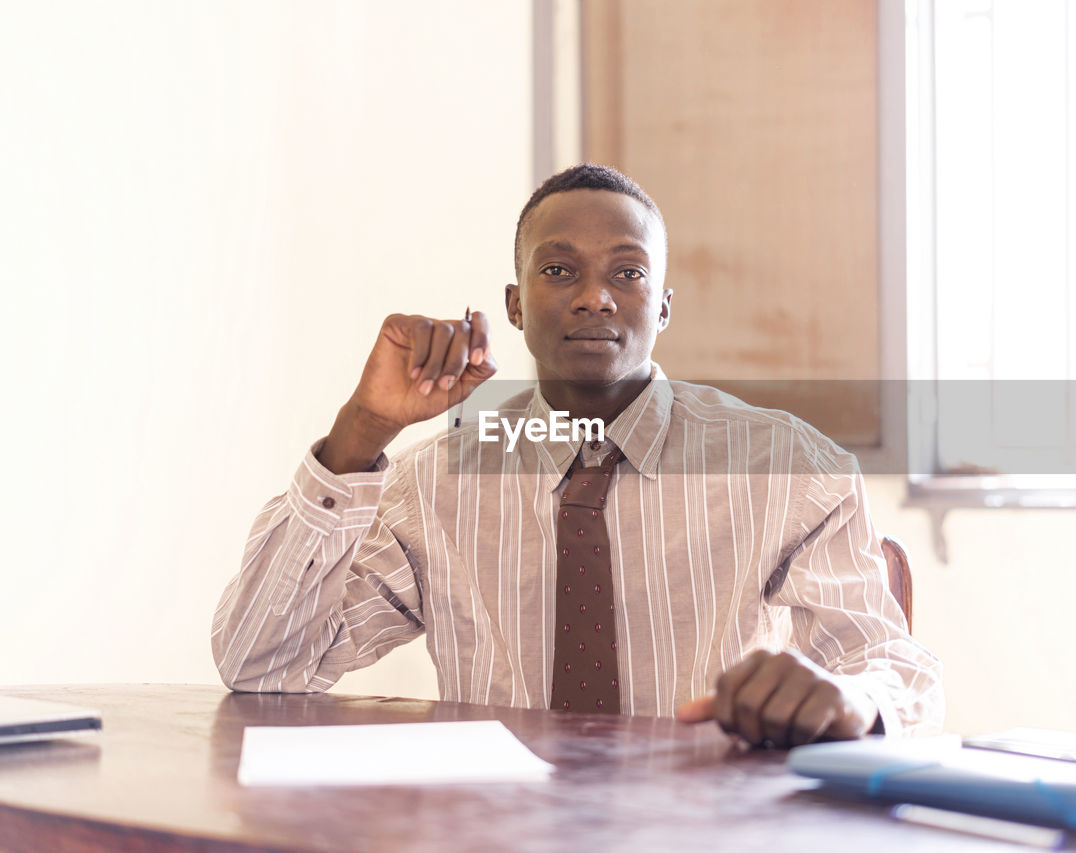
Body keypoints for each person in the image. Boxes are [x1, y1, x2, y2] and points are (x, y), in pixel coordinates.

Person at [212, 164, 943, 747]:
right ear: (515, 303)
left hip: (700, 827)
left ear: (662, 305)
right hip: (498, 832)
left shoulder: (785, 466)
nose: (595, 296)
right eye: (559, 271)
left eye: (628, 273)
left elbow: (891, 668)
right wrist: (363, 428)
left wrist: (853, 697)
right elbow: (262, 668)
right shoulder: (432, 483)